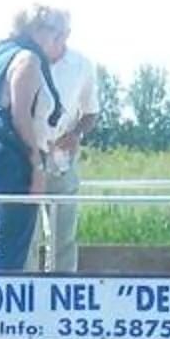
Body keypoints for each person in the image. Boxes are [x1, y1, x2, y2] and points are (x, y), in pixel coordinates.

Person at [0, 5, 68, 273]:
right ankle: (4, 310)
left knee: (3, 243)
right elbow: (21, 118)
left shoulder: (2, 55)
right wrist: (36, 168)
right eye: (56, 33)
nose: (60, 41)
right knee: (12, 250)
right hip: (16, 166)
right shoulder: (27, 60)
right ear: (37, 31)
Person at [36, 42, 101, 271]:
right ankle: (26, 291)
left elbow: (91, 111)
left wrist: (75, 134)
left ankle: (61, 289)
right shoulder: (27, 59)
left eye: (58, 30)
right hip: (27, 153)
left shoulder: (82, 64)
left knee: (63, 233)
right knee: (27, 233)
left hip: (61, 154)